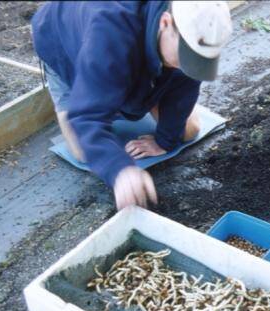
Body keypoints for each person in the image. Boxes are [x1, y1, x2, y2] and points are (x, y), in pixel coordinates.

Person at [31, 1, 233, 210]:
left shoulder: (192, 30)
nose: (188, 64)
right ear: (166, 22)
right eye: (186, 56)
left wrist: (164, 141)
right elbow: (87, 117)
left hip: (138, 53)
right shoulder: (110, 34)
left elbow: (185, 87)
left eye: (197, 60)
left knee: (189, 129)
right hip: (65, 46)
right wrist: (119, 169)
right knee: (83, 150)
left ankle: (135, 92)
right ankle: (88, 93)